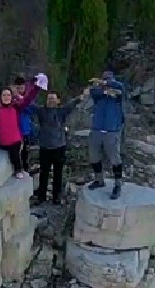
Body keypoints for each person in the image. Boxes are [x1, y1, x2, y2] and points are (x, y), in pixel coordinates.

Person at [32, 88, 82, 206]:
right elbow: (29, 104)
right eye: (49, 99)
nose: (51, 101)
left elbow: (72, 103)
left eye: (53, 99)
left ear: (58, 101)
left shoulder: (62, 111)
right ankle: (41, 196)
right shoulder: (41, 111)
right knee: (44, 173)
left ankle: (56, 196)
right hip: (45, 147)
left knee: (58, 173)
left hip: (59, 147)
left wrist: (81, 97)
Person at [86, 66, 128, 199]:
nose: (105, 82)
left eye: (108, 80)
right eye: (104, 79)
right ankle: (99, 180)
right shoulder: (99, 94)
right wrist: (103, 90)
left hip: (112, 130)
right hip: (97, 129)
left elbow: (120, 88)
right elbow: (93, 91)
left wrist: (107, 85)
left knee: (114, 158)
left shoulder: (118, 94)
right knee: (94, 156)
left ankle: (118, 184)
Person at [0, 86, 34, 176]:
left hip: (15, 140)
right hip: (2, 141)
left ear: (11, 96)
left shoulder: (16, 106)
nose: (6, 97)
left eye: (8, 95)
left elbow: (27, 100)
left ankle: (18, 170)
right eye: (4, 95)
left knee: (15, 154)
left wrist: (36, 87)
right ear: (1, 97)